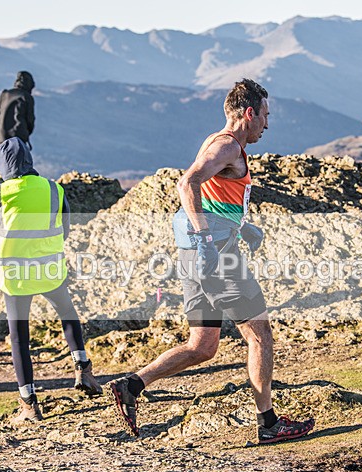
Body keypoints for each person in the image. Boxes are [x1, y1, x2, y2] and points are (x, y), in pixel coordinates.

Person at [107, 79, 315, 444]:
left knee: (202, 346)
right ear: (249, 113)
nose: (267, 124)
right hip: (217, 258)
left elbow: (214, 194)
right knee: (260, 336)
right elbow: (187, 183)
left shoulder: (217, 142)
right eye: (265, 115)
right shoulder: (226, 146)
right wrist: (208, 238)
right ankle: (268, 424)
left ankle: (131, 385)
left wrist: (240, 225)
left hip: (196, 257)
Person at [0, 137, 102, 423]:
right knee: (67, 313)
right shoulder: (53, 189)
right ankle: (83, 368)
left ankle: (29, 404)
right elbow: (64, 228)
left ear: (2, 166)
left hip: (14, 274)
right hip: (48, 267)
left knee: (19, 336)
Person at [0, 71, 36, 162]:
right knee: (17, 164)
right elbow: (30, 120)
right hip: (18, 137)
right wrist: (26, 133)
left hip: (0, 136)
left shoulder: (5, 94)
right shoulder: (26, 97)